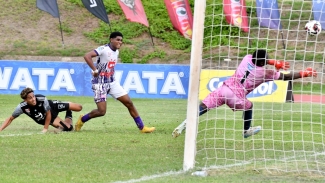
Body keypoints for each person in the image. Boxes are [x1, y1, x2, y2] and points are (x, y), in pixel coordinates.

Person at [172, 49, 317, 138]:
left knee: (204, 106)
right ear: (264, 62)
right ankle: (247, 130)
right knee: (249, 106)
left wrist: (273, 62)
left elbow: (257, 56)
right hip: (236, 97)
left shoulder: (246, 58)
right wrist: (304, 73)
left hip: (224, 89)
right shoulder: (265, 73)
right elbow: (286, 77)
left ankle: (187, 121)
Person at [75, 31, 155, 133]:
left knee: (129, 103)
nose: (120, 42)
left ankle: (142, 128)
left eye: (121, 40)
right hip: (100, 83)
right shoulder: (103, 49)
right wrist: (95, 70)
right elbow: (87, 56)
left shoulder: (116, 51)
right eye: (117, 40)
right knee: (101, 111)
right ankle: (82, 120)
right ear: (111, 40)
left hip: (112, 82)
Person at [0, 87, 83, 133]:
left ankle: (67, 107)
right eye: (30, 98)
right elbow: (10, 118)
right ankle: (69, 113)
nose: (33, 99)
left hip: (52, 106)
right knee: (69, 128)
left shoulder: (42, 99)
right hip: (50, 117)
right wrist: (0, 129)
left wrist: (45, 129)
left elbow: (48, 112)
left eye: (33, 96)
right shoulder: (22, 107)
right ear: (25, 100)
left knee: (79, 107)